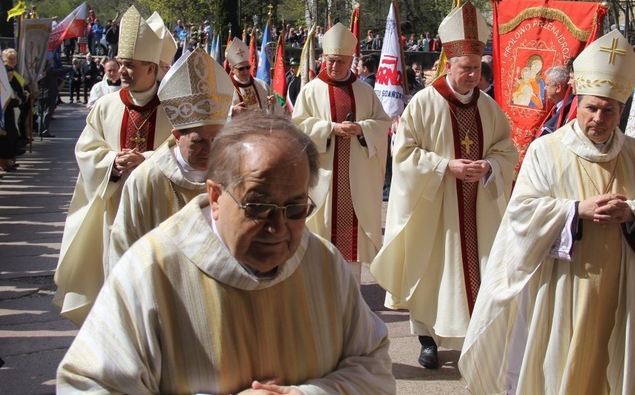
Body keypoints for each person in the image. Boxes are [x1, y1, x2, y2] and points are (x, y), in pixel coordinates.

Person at [56, 113, 396, 394]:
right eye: (258, 206)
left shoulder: (323, 263)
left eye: (295, 209)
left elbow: (373, 366)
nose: (278, 227)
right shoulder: (153, 269)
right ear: (215, 197)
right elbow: (89, 385)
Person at [459, 29, 635, 393]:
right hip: (563, 281)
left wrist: (634, 212)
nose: (600, 117)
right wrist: (576, 209)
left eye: (609, 110)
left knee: (610, 362)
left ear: (621, 111)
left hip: (621, 283)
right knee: (560, 364)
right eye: (592, 107)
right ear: (578, 103)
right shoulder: (548, 150)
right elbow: (522, 212)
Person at [370, 1, 518, 369]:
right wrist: (443, 166)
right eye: (465, 68)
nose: (472, 75)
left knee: (477, 272)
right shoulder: (423, 103)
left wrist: (488, 165)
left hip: (477, 209)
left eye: (477, 69)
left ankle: (476, 338)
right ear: (448, 64)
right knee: (432, 271)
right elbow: (402, 154)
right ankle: (427, 339)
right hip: (434, 207)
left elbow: (507, 150)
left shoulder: (488, 108)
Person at [53, 5, 172, 326]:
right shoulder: (105, 107)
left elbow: (185, 155)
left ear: (151, 68)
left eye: (131, 66)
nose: (122, 71)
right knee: (113, 288)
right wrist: (113, 163)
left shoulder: (174, 109)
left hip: (158, 211)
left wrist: (145, 161)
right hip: (113, 209)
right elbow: (87, 150)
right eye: (121, 64)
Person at [107, 47, 233, 273]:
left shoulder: (234, 175)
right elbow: (122, 248)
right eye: (198, 142)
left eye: (216, 139)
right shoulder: (147, 179)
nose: (210, 149)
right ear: (176, 137)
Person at [293, 23, 391, 282]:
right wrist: (330, 128)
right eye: (330, 60)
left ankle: (352, 300)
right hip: (323, 179)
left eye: (340, 61)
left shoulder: (365, 91)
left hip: (355, 180)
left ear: (351, 60)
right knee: (319, 242)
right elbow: (298, 125)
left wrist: (361, 128)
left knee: (352, 246)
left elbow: (383, 123)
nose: (334, 66)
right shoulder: (312, 90)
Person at [224, 36, 278, 114]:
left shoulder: (262, 85)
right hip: (238, 126)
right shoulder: (226, 88)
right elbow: (217, 113)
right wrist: (232, 111)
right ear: (232, 69)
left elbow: (275, 112)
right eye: (241, 68)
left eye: (247, 67)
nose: (245, 71)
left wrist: (273, 104)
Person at [535, 65, 573, 137]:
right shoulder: (557, 108)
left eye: (547, 85)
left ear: (558, 87)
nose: (545, 88)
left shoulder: (568, 110)